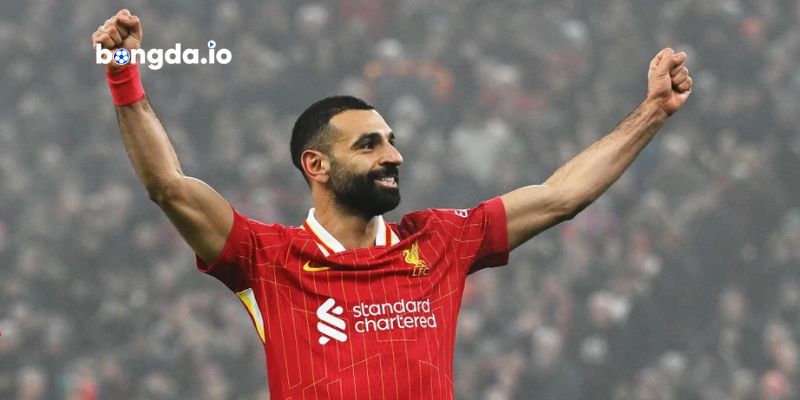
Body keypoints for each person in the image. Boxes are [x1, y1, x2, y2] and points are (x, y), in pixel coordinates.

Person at [91, 8, 693, 399]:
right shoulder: (267, 258)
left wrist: (652, 112)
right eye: (370, 145)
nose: (394, 156)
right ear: (316, 166)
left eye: (392, 141)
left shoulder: (438, 241)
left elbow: (560, 197)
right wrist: (123, 72)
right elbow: (168, 184)